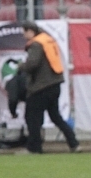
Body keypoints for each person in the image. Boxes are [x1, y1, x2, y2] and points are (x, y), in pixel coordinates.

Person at [17, 21, 79, 154]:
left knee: (32, 118)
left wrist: (21, 66)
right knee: (56, 117)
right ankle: (74, 143)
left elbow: (32, 64)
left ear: (30, 32)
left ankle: (34, 148)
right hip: (55, 84)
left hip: (41, 86)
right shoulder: (48, 40)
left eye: (24, 32)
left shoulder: (36, 44)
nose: (23, 35)